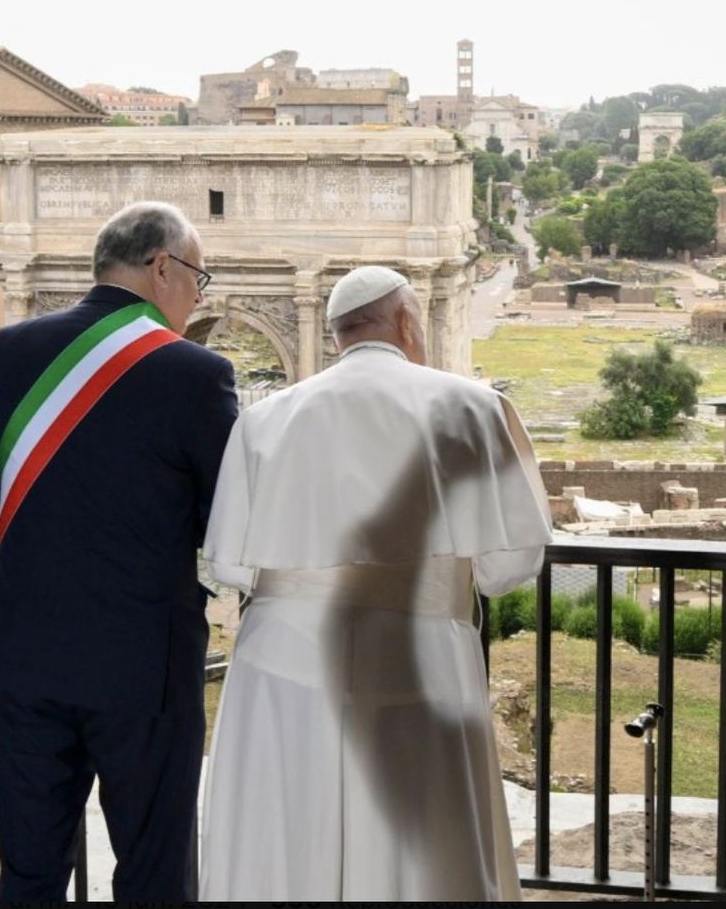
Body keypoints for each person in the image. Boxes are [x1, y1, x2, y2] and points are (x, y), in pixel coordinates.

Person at [200, 265, 552, 901]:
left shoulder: (263, 420)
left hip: (281, 663)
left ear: (335, 335)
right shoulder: (478, 407)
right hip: (422, 662)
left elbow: (228, 567)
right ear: (409, 322)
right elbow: (509, 568)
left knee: (289, 837)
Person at [0, 201, 237, 901]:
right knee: (152, 873)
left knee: (28, 871)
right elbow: (228, 522)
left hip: (24, 657)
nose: (195, 299)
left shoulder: (10, 347)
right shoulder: (196, 374)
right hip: (141, 669)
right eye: (198, 280)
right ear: (162, 267)